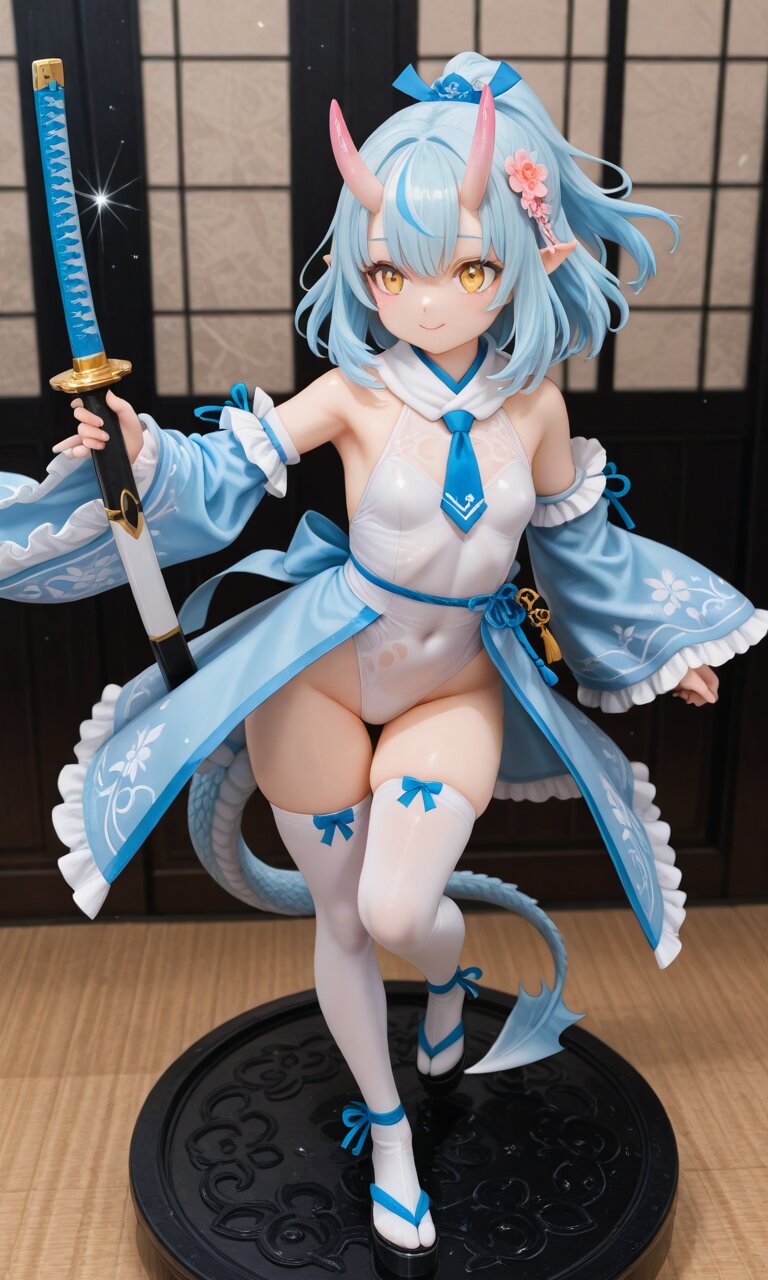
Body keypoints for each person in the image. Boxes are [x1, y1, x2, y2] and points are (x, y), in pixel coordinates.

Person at [2, 52, 765, 1276]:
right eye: (391, 270)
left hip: (452, 685)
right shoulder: (354, 390)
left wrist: (668, 644)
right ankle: (392, 1133)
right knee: (348, 920)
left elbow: (581, 550)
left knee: (404, 908)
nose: (427, 300)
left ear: (513, 258)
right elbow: (223, 471)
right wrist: (138, 447)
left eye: (464, 268)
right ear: (364, 272)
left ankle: (450, 982)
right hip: (322, 669)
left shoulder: (535, 406)